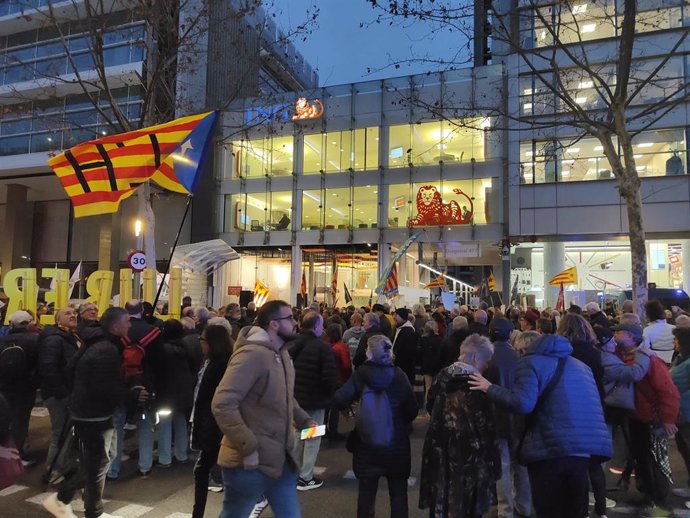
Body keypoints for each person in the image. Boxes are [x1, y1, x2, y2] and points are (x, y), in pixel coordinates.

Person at [469, 332, 611, 518]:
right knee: (575, 508)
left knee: (549, 508)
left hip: (550, 447)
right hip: (583, 448)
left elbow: (523, 403)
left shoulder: (530, 362)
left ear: (522, 349)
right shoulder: (580, 366)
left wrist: (489, 387)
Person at [212, 300, 314, 518]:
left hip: (280, 458)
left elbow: (284, 396)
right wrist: (247, 446)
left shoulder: (282, 354)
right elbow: (222, 403)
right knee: (234, 514)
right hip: (249, 463)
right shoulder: (252, 355)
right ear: (273, 324)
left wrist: (304, 420)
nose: (295, 323)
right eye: (289, 318)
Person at [42, 307, 128, 518]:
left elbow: (72, 368)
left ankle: (91, 508)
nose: (130, 325)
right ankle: (66, 500)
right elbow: (104, 386)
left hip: (89, 411)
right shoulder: (106, 348)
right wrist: (130, 396)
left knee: (100, 461)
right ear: (115, 326)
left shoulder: (95, 341)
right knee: (97, 463)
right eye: (127, 321)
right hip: (93, 415)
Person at [333, 335, 418, 518]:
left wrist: (350, 407)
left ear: (369, 352)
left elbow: (340, 398)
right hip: (397, 444)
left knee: (366, 495)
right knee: (398, 494)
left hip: (367, 444)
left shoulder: (361, 374)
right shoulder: (400, 375)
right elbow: (412, 409)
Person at [420, 334, 500, 518]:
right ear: (474, 358)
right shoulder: (477, 385)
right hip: (469, 456)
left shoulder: (442, 377)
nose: (487, 365)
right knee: (466, 505)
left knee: (442, 501)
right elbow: (486, 424)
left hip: (438, 448)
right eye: (486, 360)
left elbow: (431, 406)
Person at [615, 322, 679, 515]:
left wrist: (668, 418)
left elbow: (667, 390)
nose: (616, 335)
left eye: (620, 332)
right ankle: (647, 495)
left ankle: (658, 499)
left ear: (632, 336)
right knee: (641, 457)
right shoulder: (628, 356)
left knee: (653, 459)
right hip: (636, 415)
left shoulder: (649, 360)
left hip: (650, 418)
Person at [556, 313, 608, 516]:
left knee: (577, 464)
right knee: (595, 465)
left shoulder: (563, 353)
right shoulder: (595, 353)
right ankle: (601, 509)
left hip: (572, 408)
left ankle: (582, 510)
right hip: (595, 408)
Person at [108, 300, 163, 480]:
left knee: (117, 428)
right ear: (142, 310)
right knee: (145, 425)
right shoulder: (153, 332)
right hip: (146, 384)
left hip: (121, 384)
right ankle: (145, 465)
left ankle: (113, 469)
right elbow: (158, 362)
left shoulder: (117, 333)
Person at [483, 318, 532, 518]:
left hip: (495, 417)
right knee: (521, 464)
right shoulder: (520, 357)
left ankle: (505, 509)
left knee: (502, 465)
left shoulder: (486, 359)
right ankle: (525, 505)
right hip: (519, 416)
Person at [289, 310, 337, 490]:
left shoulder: (291, 343)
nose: (323, 327)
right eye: (321, 324)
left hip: (295, 400)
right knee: (312, 438)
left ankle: (293, 473)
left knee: (297, 437)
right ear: (316, 326)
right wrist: (328, 397)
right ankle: (306, 477)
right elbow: (329, 377)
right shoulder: (323, 348)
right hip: (315, 401)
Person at [190, 324, 233, 518]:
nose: (200, 344)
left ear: (211, 343)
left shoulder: (219, 365)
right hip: (213, 425)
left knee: (206, 469)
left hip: (215, 426)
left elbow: (216, 401)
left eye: (202, 340)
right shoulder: (214, 362)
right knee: (207, 469)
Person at [39, 307, 83, 483]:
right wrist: (62, 393)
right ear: (58, 320)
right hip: (59, 395)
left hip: (67, 392)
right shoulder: (54, 340)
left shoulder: (70, 336)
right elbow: (49, 368)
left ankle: (63, 466)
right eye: (67, 314)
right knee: (60, 433)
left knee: (67, 433)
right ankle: (53, 470)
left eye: (74, 313)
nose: (73, 315)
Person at [0, 310, 40, 465]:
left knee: (4, 420)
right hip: (25, 388)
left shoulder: (2, 340)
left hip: (4, 387)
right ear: (28, 323)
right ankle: (17, 456)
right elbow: (38, 364)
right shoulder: (34, 340)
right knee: (20, 421)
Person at [157, 319, 196, 468]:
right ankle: (182, 454)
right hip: (184, 391)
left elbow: (158, 372)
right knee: (181, 422)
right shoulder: (187, 346)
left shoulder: (162, 349)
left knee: (165, 425)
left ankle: (165, 458)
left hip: (166, 393)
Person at [324, 323, 352, 441]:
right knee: (335, 408)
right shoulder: (341, 347)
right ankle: (333, 432)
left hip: (326, 380)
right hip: (338, 380)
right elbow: (346, 365)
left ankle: (323, 431)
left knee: (325, 409)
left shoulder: (324, 345)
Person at [643, 300, 675, 364]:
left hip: (656, 361)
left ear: (648, 314)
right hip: (673, 360)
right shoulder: (674, 328)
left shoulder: (647, 330)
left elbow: (645, 348)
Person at [392, 308, 418, 385]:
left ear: (402, 317)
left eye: (396, 315)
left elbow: (407, 351)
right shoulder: (397, 328)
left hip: (404, 366)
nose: (394, 317)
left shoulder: (408, 331)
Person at [419, 320, 442, 404]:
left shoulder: (422, 339)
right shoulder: (439, 340)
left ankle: (427, 406)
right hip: (437, 366)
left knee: (428, 387)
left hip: (426, 365)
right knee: (436, 388)